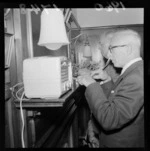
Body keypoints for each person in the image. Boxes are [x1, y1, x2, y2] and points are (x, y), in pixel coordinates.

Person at [77, 28, 144, 148]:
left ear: (128, 49)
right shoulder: (133, 71)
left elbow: (110, 119)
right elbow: (117, 100)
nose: (109, 54)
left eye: (112, 48)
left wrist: (91, 84)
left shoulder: (136, 77)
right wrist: (107, 80)